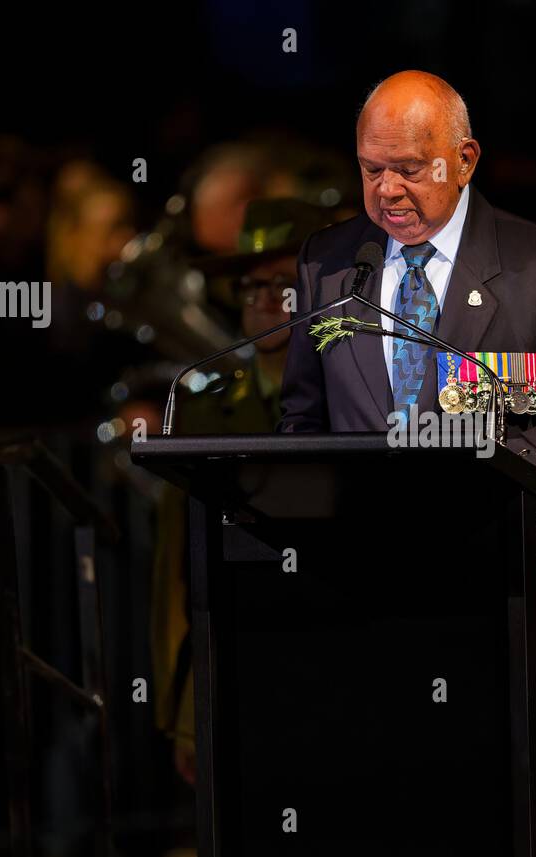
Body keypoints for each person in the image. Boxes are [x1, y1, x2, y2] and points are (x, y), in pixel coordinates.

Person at [279, 70, 536, 857]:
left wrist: (477, 465)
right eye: (370, 169)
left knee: (498, 824)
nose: (387, 189)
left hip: (494, 593)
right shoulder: (329, 268)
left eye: (410, 167)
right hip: (362, 600)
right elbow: (302, 420)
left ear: (464, 160)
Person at [152, 198, 335, 786]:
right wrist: (181, 710)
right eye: (251, 285)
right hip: (236, 665)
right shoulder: (202, 406)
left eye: (284, 283)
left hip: (334, 658)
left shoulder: (357, 399)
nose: (264, 301)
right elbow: (177, 572)